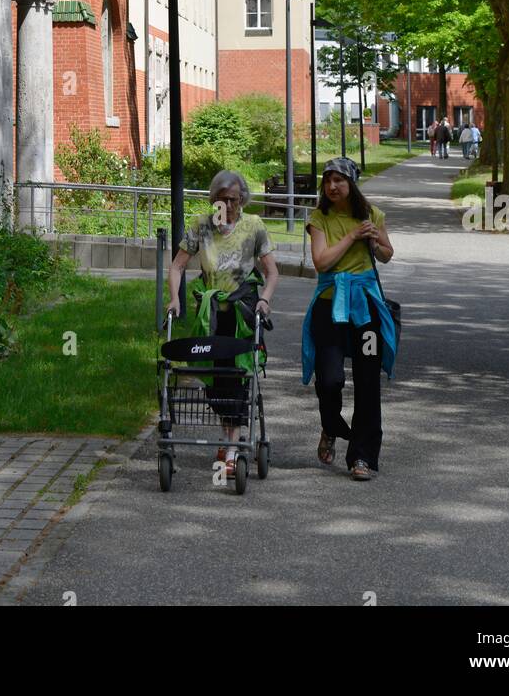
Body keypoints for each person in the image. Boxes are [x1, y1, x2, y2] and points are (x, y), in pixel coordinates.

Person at [167, 170, 279, 476]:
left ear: (241, 199)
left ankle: (232, 450)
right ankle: (230, 438)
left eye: (232, 199)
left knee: (237, 377)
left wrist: (265, 299)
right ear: (212, 200)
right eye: (220, 199)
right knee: (215, 379)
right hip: (211, 315)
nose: (226, 206)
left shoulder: (253, 226)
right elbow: (177, 266)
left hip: (242, 314)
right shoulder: (200, 227)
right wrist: (175, 299)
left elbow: (272, 273)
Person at [301, 157, 397, 481]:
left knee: (368, 382)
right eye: (327, 181)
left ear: (352, 183)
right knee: (329, 379)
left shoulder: (372, 213)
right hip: (330, 306)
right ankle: (331, 426)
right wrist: (352, 236)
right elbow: (321, 262)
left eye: (339, 180)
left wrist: (372, 240)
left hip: (366, 309)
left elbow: (387, 253)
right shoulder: (319, 218)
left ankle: (363, 457)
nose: (332, 186)